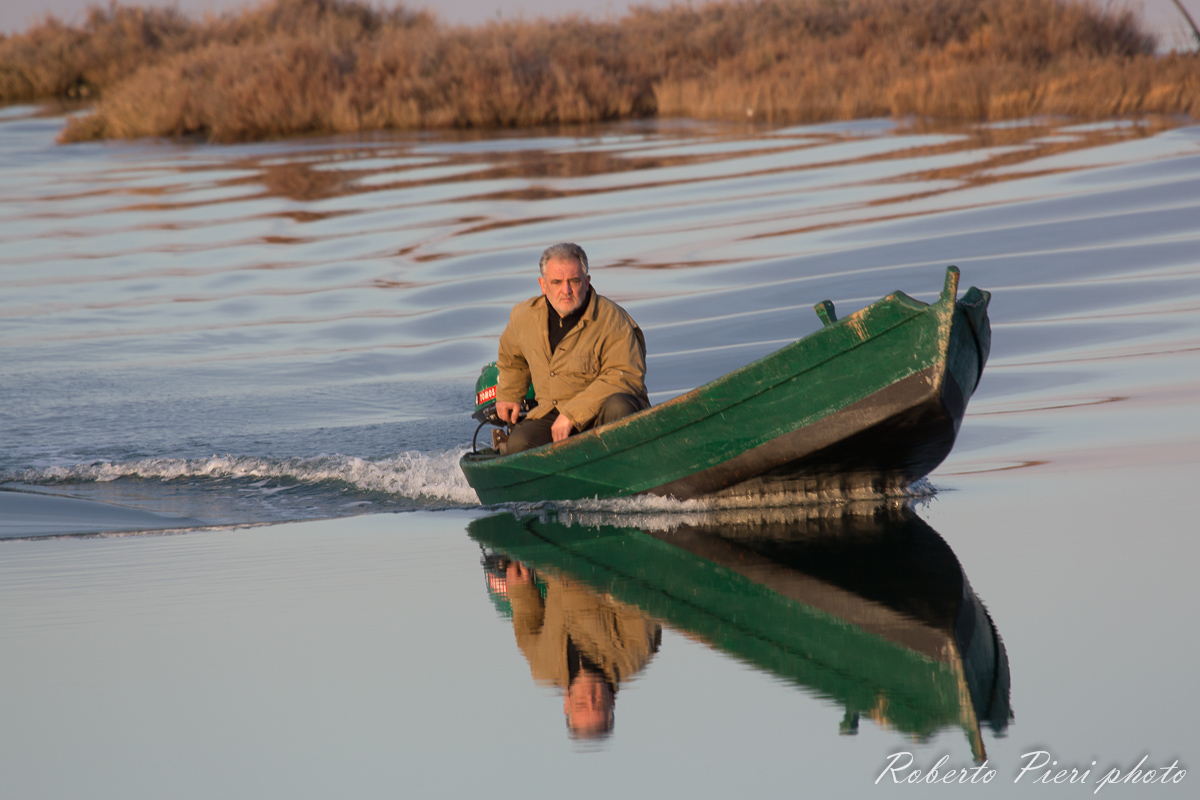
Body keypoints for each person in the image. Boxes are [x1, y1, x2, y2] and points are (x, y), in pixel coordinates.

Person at [495, 242, 649, 454]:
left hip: (603, 413)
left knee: (618, 406)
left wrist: (571, 414)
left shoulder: (613, 319)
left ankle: (624, 469)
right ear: (543, 285)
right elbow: (512, 359)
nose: (565, 291)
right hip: (551, 413)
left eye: (574, 281)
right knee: (520, 442)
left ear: (586, 282)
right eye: (556, 282)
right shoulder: (523, 316)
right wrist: (509, 393)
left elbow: (624, 376)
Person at [505, 561, 660, 738]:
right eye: (598, 704)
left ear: (567, 703)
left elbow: (528, 621)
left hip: (548, 563)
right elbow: (637, 593)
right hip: (600, 558)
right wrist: (589, 580)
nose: (590, 695)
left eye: (581, 704)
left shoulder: (543, 668)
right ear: (611, 700)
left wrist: (520, 590)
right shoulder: (633, 655)